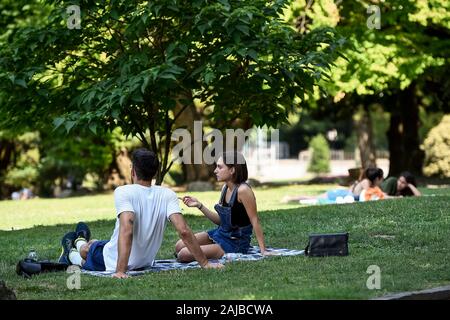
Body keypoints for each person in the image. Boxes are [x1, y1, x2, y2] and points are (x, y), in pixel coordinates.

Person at [58, 148, 223, 278]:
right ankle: (81, 240)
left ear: (133, 172)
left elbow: (127, 229)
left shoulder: (123, 192)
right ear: (155, 172)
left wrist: (121, 271)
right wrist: (205, 263)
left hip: (114, 261)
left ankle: (72, 251)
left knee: (87, 250)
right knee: (96, 243)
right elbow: (184, 231)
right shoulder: (168, 194)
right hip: (144, 261)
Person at [175, 151, 274, 262]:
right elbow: (222, 221)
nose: (215, 170)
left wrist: (263, 250)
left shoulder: (243, 190)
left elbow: (255, 220)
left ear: (232, 170)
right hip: (220, 234)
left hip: (235, 243)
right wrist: (199, 205)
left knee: (183, 254)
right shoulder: (225, 188)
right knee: (179, 246)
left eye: (219, 167)